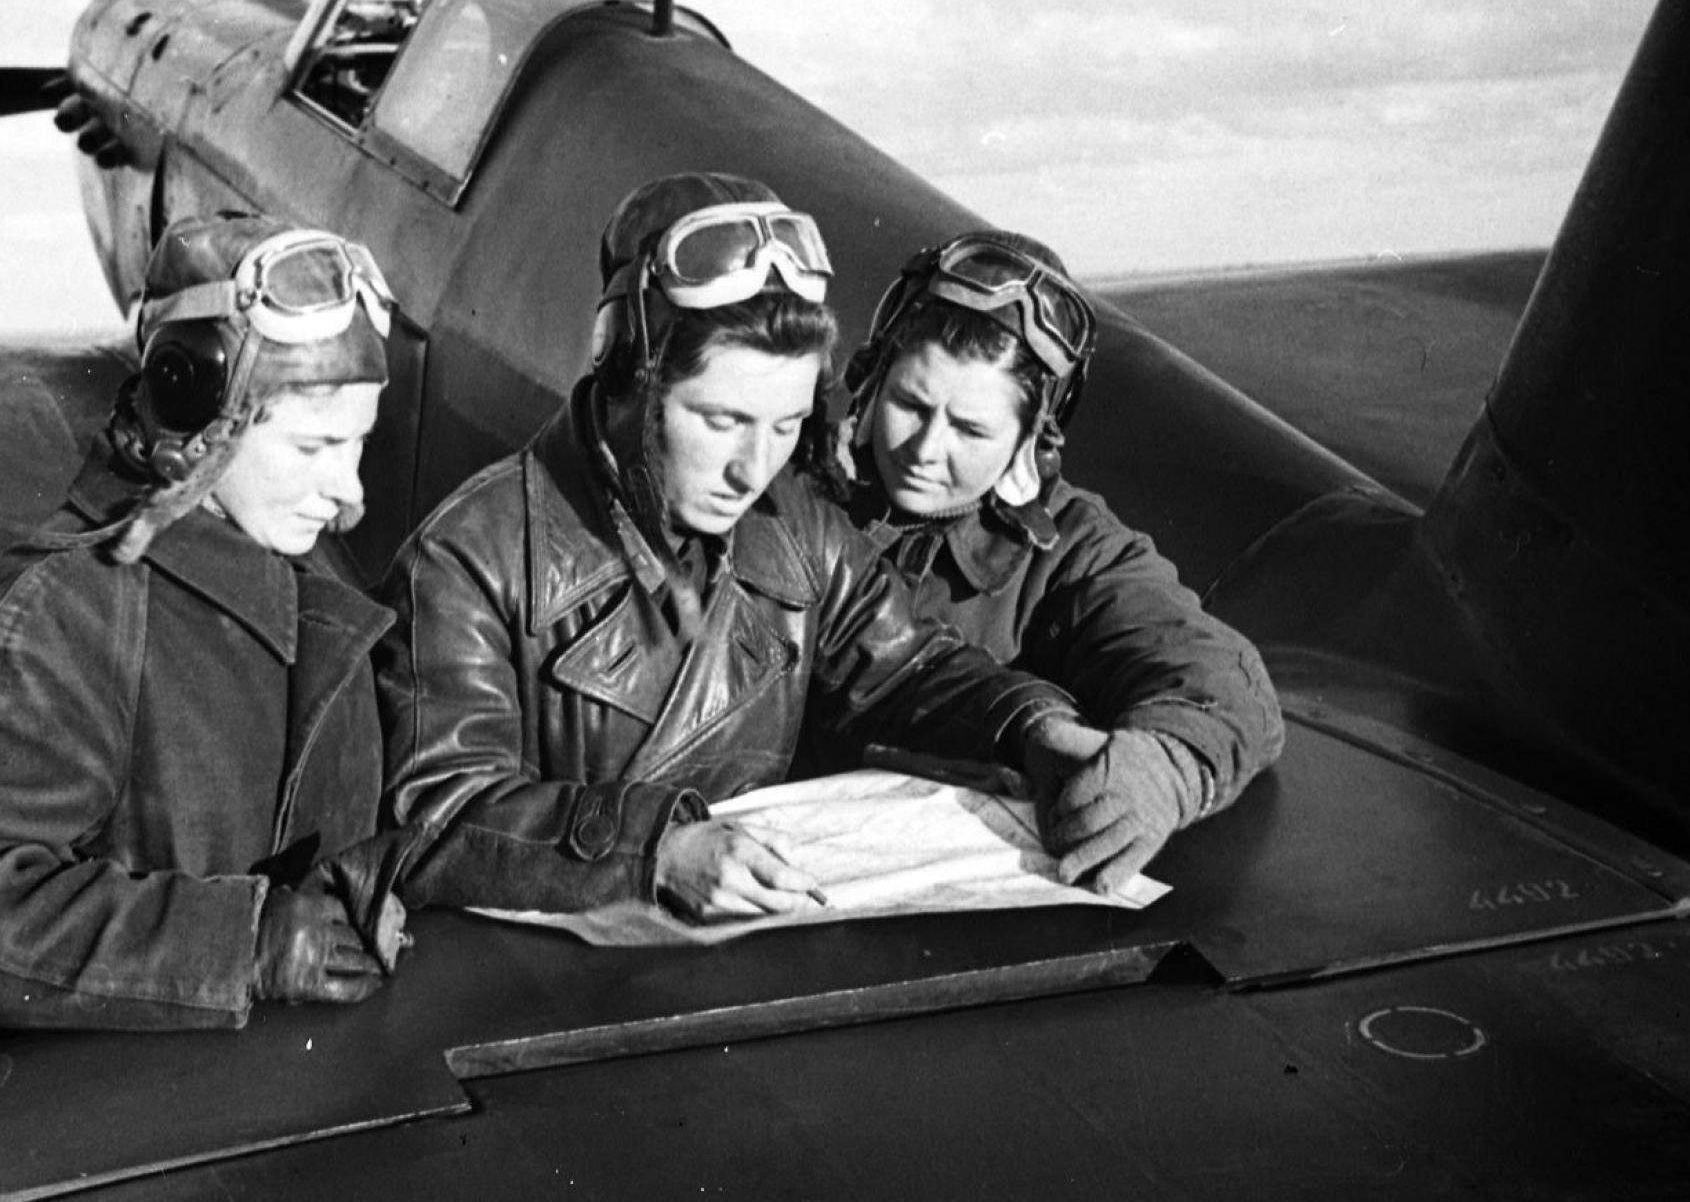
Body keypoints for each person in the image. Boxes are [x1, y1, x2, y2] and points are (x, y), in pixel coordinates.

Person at [377, 173, 1139, 923]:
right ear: (629, 381)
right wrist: (653, 852)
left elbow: (912, 669)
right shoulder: (468, 558)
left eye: (785, 427)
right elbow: (435, 816)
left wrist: (1039, 731)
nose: (753, 469)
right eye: (721, 420)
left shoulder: (792, 525)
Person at [0, 214, 407, 1030]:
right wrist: (239, 944)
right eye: (312, 446)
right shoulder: (75, 612)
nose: (349, 494)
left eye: (358, 446)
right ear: (191, 414)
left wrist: (366, 883)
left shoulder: (288, 554)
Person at [824, 229, 1285, 885]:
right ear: (871, 382)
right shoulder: (787, 491)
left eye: (970, 429)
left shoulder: (1067, 546)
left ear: (1030, 444)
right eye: (909, 404)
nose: (925, 450)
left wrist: (1167, 764)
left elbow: (1215, 671)